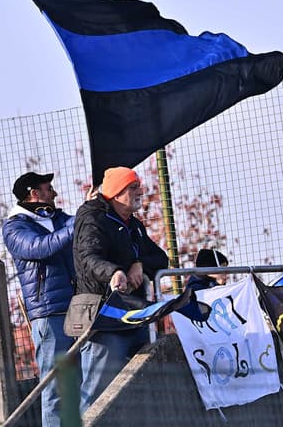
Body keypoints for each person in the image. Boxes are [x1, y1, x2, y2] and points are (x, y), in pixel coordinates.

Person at [73, 166, 168, 411]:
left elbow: (161, 259)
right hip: (103, 319)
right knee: (96, 394)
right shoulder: (92, 218)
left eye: (139, 186)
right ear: (116, 193)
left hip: (134, 316)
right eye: (133, 187)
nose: (140, 191)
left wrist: (139, 264)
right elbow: (88, 259)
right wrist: (115, 272)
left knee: (139, 391)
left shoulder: (134, 225)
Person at [2, 172, 78, 427]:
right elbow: (40, 247)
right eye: (49, 188)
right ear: (34, 193)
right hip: (48, 314)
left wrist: (91, 209)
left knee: (84, 378)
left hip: (79, 307)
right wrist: (75, 226)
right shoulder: (14, 227)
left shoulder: (58, 219)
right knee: (55, 387)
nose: (54, 193)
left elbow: (83, 222)